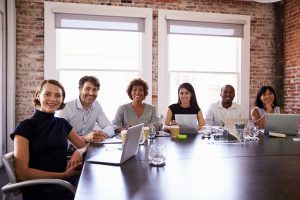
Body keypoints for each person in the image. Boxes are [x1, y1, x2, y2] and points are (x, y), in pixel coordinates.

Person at [11, 79, 87, 200]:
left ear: (62, 99)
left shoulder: (62, 123)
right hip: (41, 187)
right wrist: (62, 176)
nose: (53, 99)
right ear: (38, 95)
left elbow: (84, 146)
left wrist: (79, 151)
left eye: (58, 95)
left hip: (64, 181)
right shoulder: (24, 126)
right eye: (47, 94)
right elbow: (22, 174)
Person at [57, 76, 114, 143]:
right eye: (87, 89)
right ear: (80, 89)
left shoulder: (96, 106)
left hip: (88, 148)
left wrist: (101, 134)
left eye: (95, 89)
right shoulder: (67, 108)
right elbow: (58, 136)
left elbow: (109, 127)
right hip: (68, 150)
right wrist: (85, 138)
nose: (91, 93)